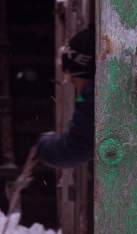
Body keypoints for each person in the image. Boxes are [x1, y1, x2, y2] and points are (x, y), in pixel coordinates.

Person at [36, 25, 95, 169]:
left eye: (72, 75)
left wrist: (43, 145)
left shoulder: (94, 99)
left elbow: (73, 150)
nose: (71, 81)